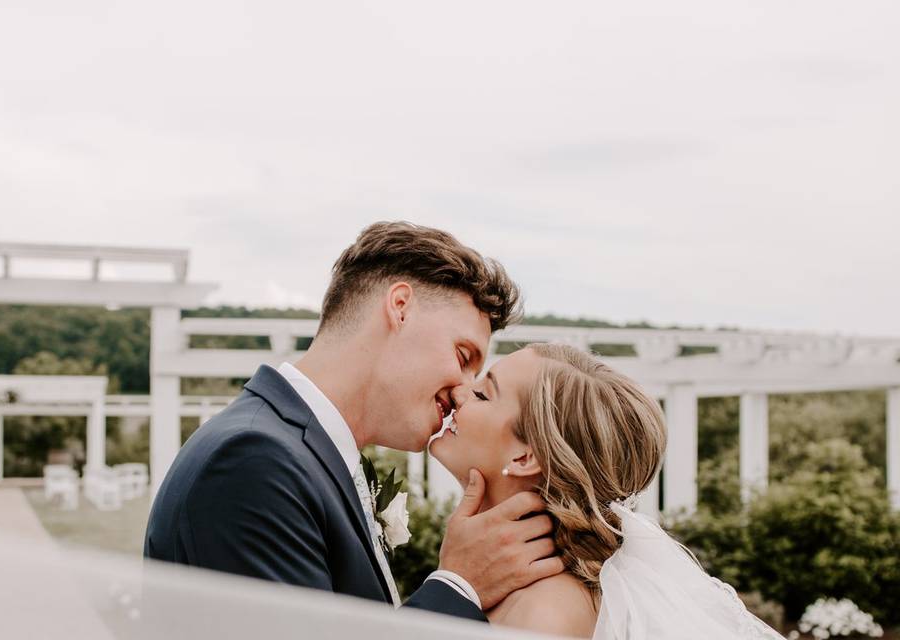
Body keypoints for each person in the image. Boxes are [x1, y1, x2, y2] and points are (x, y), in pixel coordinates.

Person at [144, 221, 564, 622]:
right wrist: (460, 584)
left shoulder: (298, 453)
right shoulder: (251, 462)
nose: (461, 392)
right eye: (462, 356)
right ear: (401, 308)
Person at [431, 343, 786, 639]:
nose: (460, 392)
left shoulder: (545, 614)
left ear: (526, 456)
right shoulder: (509, 584)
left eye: (482, 393)